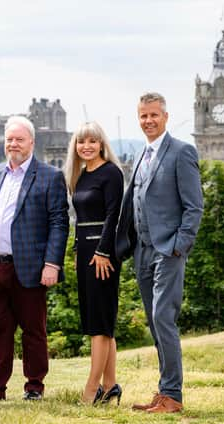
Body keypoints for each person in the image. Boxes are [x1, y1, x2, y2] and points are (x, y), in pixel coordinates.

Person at [0, 116, 69, 402]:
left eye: (19, 139)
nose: (14, 144)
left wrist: (52, 263)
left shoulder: (49, 176)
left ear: (32, 142)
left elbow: (59, 222)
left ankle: (34, 387)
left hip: (32, 267)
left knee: (33, 330)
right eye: (10, 139)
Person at [115, 92, 203, 413]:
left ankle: (173, 396)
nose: (148, 121)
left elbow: (194, 207)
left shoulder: (182, 152)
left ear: (165, 116)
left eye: (154, 115)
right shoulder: (141, 154)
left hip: (168, 251)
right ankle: (164, 391)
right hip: (142, 252)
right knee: (154, 323)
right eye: (143, 116)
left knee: (163, 318)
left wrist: (179, 247)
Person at [64, 121, 124, 405]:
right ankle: (110, 385)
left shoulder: (111, 173)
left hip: (103, 252)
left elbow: (114, 215)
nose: (86, 146)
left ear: (101, 144)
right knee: (98, 320)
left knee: (100, 324)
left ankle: (92, 389)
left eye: (92, 141)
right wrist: (78, 251)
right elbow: (79, 219)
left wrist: (102, 251)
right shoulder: (80, 176)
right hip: (86, 250)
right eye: (81, 142)